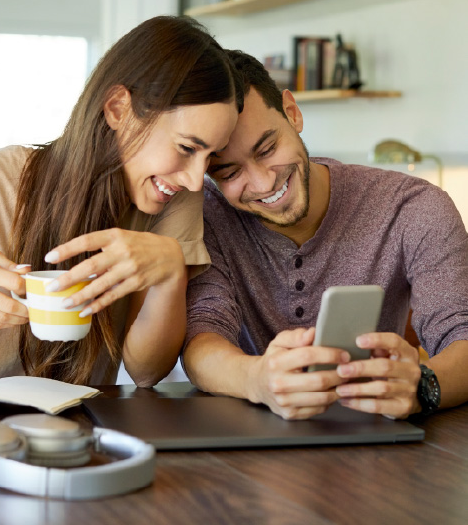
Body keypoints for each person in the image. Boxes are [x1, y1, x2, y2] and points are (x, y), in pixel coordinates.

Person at [0, 16, 241, 387]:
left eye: (210, 156)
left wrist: (168, 275)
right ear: (118, 109)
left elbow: (147, 372)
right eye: (186, 147)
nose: (196, 178)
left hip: (79, 431)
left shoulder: (174, 198)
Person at [183, 49, 468, 420]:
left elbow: (460, 334)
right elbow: (201, 337)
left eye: (268, 148)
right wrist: (257, 379)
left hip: (374, 445)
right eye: (229, 173)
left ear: (292, 112)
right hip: (243, 444)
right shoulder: (205, 216)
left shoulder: (413, 207)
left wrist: (422, 386)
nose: (264, 181)